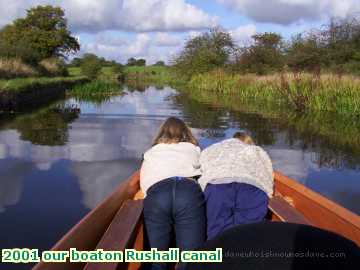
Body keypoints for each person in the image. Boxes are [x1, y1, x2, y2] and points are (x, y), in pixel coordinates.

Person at [140, 117, 206, 270]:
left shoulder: (150, 152)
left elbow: (144, 185)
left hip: (157, 193)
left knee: (156, 261)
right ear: (186, 133)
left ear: (161, 133)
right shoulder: (194, 149)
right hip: (188, 192)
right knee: (191, 260)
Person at [199, 132, 273, 240]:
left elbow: (202, 165)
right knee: (248, 235)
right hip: (252, 187)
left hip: (218, 185)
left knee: (216, 235)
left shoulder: (215, 148)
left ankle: (218, 253)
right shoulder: (256, 150)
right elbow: (268, 172)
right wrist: (269, 193)